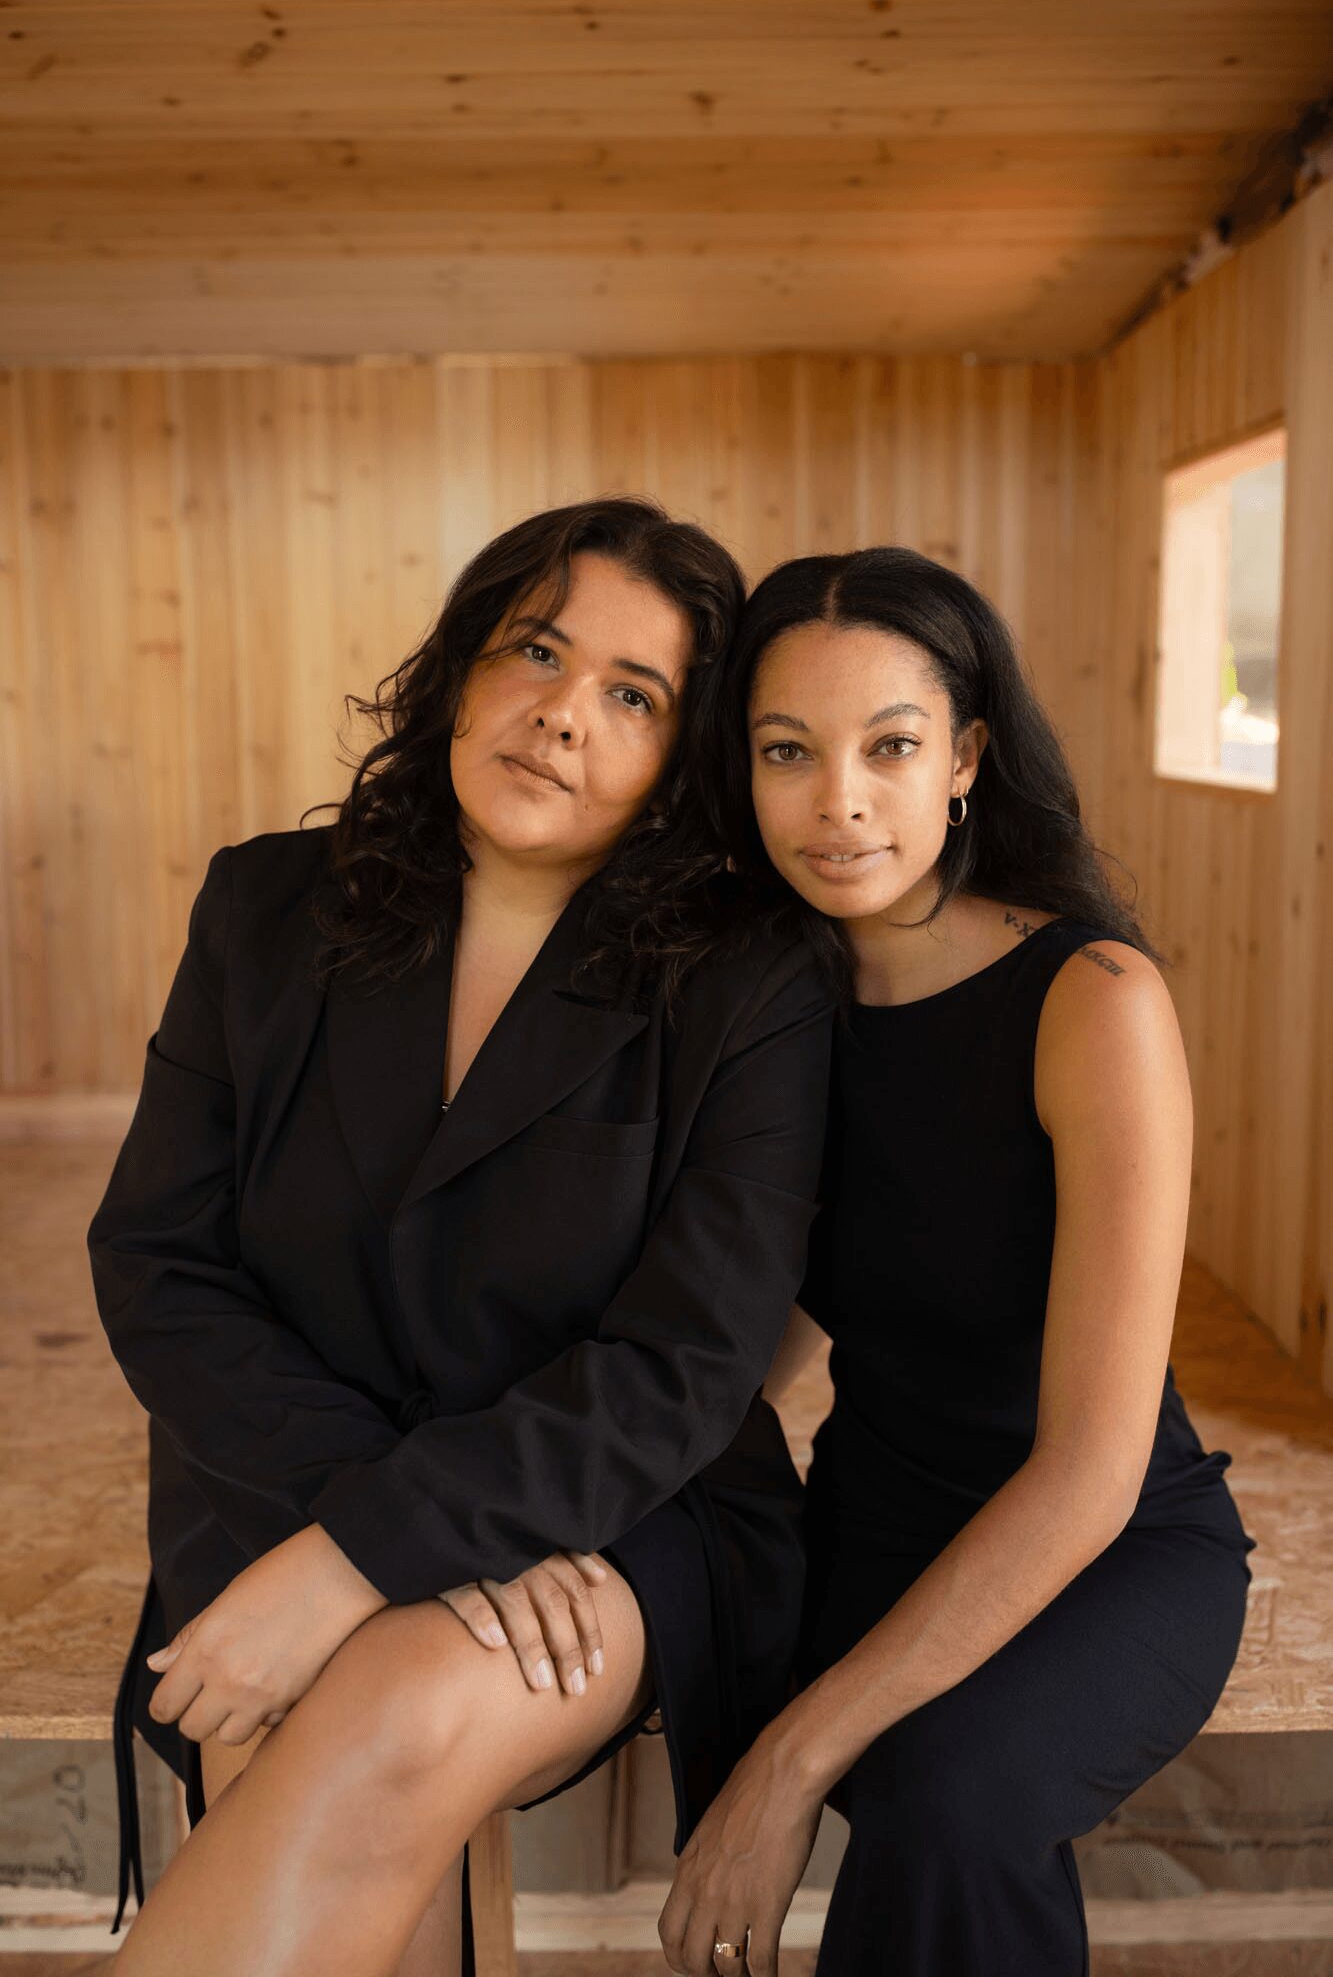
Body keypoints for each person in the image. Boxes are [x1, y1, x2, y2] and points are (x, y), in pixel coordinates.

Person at [87, 497, 834, 1977]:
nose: (563, 715)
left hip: (617, 1511)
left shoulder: (751, 982)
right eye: (535, 653)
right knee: (313, 1735)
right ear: (459, 668)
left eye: (633, 696)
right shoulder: (265, 908)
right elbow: (159, 1262)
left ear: (680, 760)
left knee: (401, 1704)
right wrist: (360, 1536)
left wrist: (367, 1559)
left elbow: (685, 1369)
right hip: (279, 1485)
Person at [656, 546, 1257, 1977]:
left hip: (1107, 1538)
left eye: (890, 746)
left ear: (967, 758)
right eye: (787, 751)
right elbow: (758, 1328)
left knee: (949, 1799)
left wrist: (794, 1754)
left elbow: (1092, 1469)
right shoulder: (761, 998)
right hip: (872, 1526)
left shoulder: (1092, 1000)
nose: (839, 801)